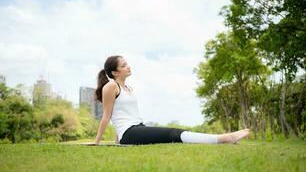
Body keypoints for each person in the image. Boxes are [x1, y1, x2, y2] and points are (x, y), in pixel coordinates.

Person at [94, 55, 250, 145]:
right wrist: (97, 142)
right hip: (130, 133)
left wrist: (118, 143)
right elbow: (107, 116)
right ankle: (224, 138)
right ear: (115, 72)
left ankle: (224, 138)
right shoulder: (111, 86)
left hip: (135, 129)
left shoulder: (129, 88)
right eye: (124, 65)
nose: (128, 66)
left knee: (169, 134)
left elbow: (121, 115)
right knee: (172, 133)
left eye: (127, 63)